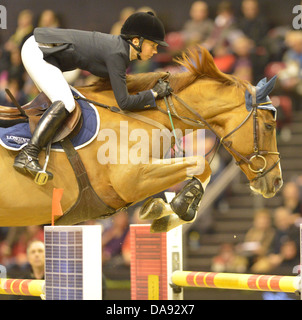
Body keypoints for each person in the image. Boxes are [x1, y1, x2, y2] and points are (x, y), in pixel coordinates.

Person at [13, 11, 172, 180]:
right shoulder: (117, 54)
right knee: (67, 103)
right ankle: (28, 154)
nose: (155, 51)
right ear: (135, 41)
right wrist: (154, 93)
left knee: (65, 99)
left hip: (46, 54)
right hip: (38, 51)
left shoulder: (119, 51)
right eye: (153, 45)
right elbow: (124, 102)